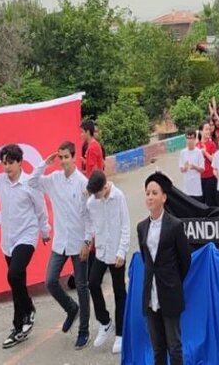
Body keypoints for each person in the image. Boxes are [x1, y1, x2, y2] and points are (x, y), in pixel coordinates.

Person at [0, 144, 51, 349]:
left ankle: (29, 309)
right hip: (8, 240)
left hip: (27, 236)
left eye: (10, 162)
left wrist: (45, 231)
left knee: (14, 275)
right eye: (4, 163)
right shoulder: (0, 182)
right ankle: (19, 326)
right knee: (17, 282)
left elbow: (41, 209)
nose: (7, 167)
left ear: (20, 162)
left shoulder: (30, 184)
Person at [33, 142, 91, 349]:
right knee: (50, 281)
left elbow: (89, 215)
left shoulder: (82, 182)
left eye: (67, 157)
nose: (64, 161)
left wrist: (87, 242)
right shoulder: (53, 179)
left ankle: (84, 330)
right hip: (60, 242)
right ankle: (70, 308)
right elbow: (32, 182)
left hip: (78, 242)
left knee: (82, 287)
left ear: (74, 157)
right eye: (61, 158)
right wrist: (44, 164)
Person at [138, 172, 191, 365]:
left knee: (174, 345)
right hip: (150, 294)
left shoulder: (175, 225)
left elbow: (185, 261)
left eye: (154, 193)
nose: (150, 197)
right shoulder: (142, 227)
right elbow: (146, 260)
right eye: (147, 193)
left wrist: (173, 281)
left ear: (164, 197)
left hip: (170, 292)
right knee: (157, 347)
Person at [85, 170, 130, 354]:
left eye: (97, 193)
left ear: (105, 187)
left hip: (117, 252)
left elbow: (126, 225)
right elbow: (89, 224)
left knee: (120, 291)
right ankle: (105, 322)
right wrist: (88, 242)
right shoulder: (92, 202)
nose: (95, 197)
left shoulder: (118, 197)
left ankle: (121, 332)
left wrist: (122, 251)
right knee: (93, 283)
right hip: (101, 252)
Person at [178, 130, 205, 202]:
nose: (189, 140)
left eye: (191, 138)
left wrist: (194, 167)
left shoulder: (199, 152)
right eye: (188, 138)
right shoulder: (183, 152)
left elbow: (202, 169)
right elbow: (181, 169)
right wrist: (185, 168)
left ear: (195, 139)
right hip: (187, 188)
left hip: (197, 188)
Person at [199, 124, 218, 207]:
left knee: (211, 201)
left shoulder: (212, 144)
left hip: (210, 177)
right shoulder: (197, 145)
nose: (208, 131)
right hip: (200, 178)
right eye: (206, 129)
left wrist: (205, 153)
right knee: (201, 202)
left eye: (209, 129)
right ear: (201, 131)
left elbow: (213, 160)